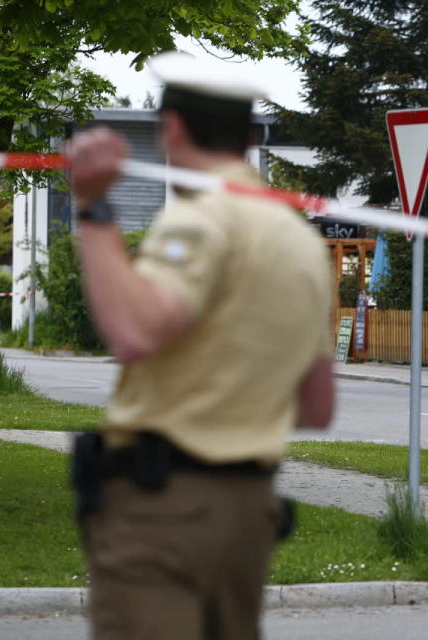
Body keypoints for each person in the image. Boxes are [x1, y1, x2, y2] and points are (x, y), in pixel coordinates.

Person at [67, 51, 334, 640]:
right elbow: (317, 406)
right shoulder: (300, 242)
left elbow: (136, 332)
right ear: (246, 137)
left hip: (164, 506)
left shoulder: (199, 220)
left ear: (174, 128)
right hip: (248, 512)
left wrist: (92, 206)